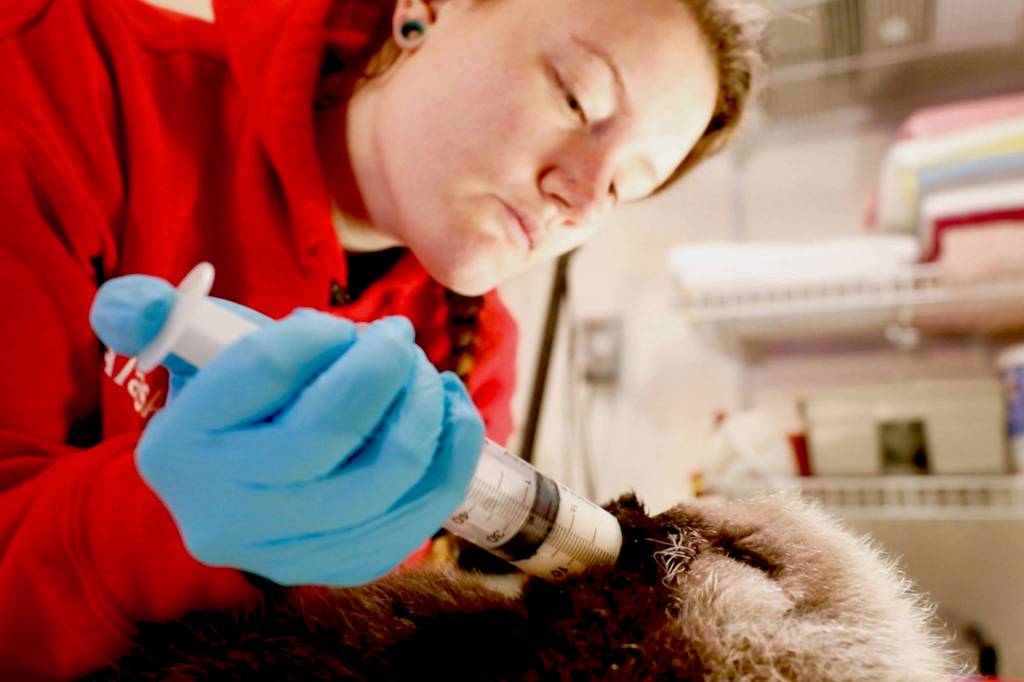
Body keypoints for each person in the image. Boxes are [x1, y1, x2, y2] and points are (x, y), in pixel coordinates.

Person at [0, 0, 760, 678]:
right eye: (577, 97)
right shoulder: (65, 78)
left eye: (625, 187)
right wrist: (151, 525)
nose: (582, 198)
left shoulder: (474, 356)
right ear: (424, 9)